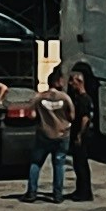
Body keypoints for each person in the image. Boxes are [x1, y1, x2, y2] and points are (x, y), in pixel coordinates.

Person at [26, 67, 75, 201]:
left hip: (44, 134)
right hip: (62, 135)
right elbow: (71, 116)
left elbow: (31, 115)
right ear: (58, 81)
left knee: (36, 163)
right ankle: (57, 195)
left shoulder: (39, 97)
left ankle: (32, 192)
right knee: (59, 165)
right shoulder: (65, 98)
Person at [64, 59, 100, 202]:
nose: (70, 84)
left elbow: (85, 119)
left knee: (81, 164)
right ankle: (80, 190)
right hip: (80, 134)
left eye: (73, 81)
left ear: (79, 82)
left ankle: (84, 192)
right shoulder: (79, 98)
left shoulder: (84, 100)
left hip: (82, 135)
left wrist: (79, 134)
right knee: (78, 164)